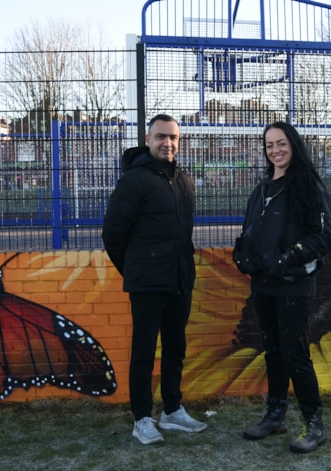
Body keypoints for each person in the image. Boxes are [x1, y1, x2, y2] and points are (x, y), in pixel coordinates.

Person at [102, 114, 207, 445]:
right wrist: (136, 269)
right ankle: (142, 418)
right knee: (144, 352)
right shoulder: (134, 181)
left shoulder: (185, 181)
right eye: (161, 136)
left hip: (179, 278)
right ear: (147, 140)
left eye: (173, 137)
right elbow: (113, 234)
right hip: (147, 283)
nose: (168, 143)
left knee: (176, 347)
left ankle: (172, 411)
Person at [233, 121, 331, 454]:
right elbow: (251, 231)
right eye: (269, 145)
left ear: (293, 145)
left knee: (295, 355)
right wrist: (242, 252)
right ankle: (275, 414)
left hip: (294, 285)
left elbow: (323, 237)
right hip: (263, 285)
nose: (275, 150)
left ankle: (314, 424)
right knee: (273, 352)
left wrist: (290, 257)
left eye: (281, 143)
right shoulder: (263, 188)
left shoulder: (307, 185)